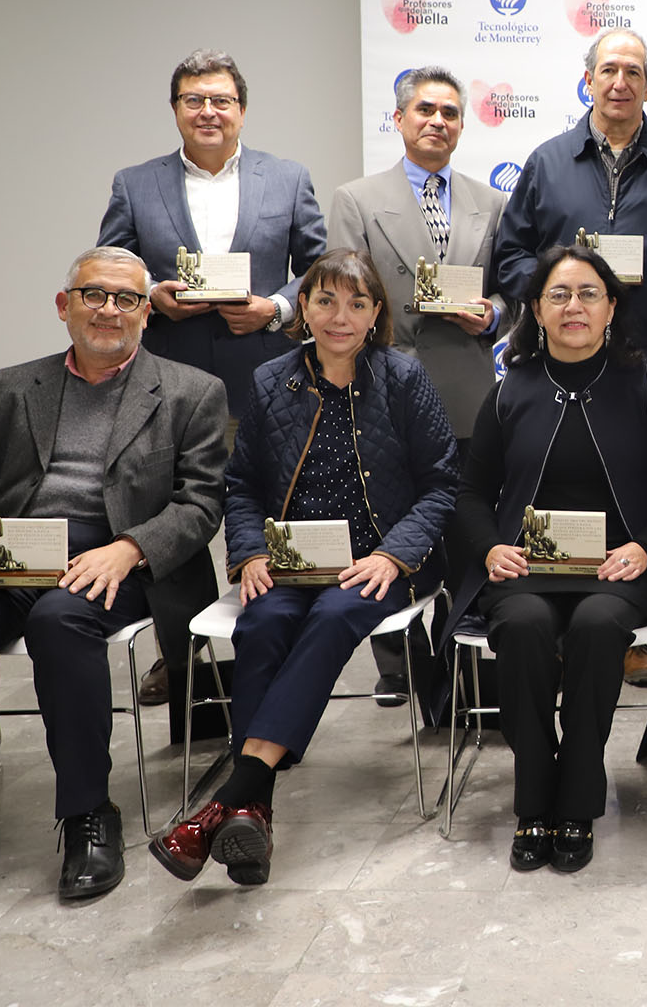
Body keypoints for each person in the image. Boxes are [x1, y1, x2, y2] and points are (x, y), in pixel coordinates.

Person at [0, 247, 226, 912]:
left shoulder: (192, 391)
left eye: (127, 298)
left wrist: (130, 546)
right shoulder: (10, 387)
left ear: (146, 312)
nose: (109, 310)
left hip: (115, 567)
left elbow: (201, 503)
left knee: (60, 620)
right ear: (64, 305)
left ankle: (87, 813)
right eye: (94, 295)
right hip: (11, 561)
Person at [149, 249, 457, 887]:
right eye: (325, 301)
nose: (340, 317)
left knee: (335, 617)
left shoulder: (404, 377)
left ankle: (229, 798)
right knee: (261, 626)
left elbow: (440, 486)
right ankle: (249, 815)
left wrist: (394, 555)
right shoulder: (271, 381)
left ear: (376, 314)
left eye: (357, 303)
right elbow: (241, 485)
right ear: (305, 309)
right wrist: (250, 551)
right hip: (289, 560)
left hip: (381, 557)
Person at [443, 244, 647, 873]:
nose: (574, 307)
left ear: (612, 306)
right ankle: (535, 798)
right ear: (536, 308)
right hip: (525, 571)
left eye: (589, 293)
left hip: (622, 570)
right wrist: (490, 547)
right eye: (558, 295)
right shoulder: (510, 390)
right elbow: (472, 492)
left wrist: (643, 546)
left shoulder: (645, 383)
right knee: (526, 626)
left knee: (594, 627)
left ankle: (578, 800)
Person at [97, 48, 328, 707]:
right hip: (167, 387)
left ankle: (277, 653)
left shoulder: (286, 178)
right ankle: (184, 657)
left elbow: (318, 266)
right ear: (175, 111)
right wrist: (149, 296)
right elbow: (113, 266)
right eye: (194, 100)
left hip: (265, 381)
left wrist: (277, 308)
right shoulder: (135, 183)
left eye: (220, 100)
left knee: (270, 520)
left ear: (241, 110)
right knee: (168, 524)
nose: (208, 111)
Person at [327, 65, 509, 706]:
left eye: (451, 112)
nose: (438, 120)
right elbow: (345, 289)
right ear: (399, 120)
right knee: (386, 516)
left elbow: (509, 290)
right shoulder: (355, 198)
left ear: (463, 125)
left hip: (466, 379)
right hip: (385, 380)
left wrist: (492, 314)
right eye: (425, 110)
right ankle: (398, 662)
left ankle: (463, 640)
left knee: (466, 517)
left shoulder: (491, 201)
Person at [490, 30, 647, 386]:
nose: (619, 83)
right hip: (563, 352)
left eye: (632, 72)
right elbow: (511, 255)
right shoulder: (547, 161)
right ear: (589, 81)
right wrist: (555, 289)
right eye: (608, 71)